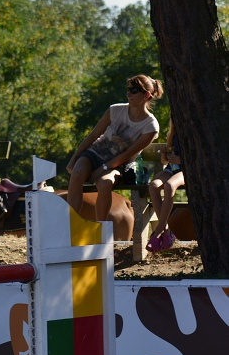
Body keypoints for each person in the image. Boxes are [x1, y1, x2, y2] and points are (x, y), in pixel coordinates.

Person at [67, 74, 163, 223]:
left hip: (119, 165)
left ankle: (101, 229)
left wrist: (104, 167)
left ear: (147, 95)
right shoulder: (115, 110)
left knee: (105, 183)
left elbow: (128, 154)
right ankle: (71, 224)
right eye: (129, 89)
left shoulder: (150, 126)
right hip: (93, 155)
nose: (129, 93)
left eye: (134, 90)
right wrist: (73, 160)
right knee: (77, 173)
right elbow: (92, 136)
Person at [146, 118, 184, 252]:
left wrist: (181, 160)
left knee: (169, 186)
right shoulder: (172, 134)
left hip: (185, 170)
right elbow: (164, 161)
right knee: (154, 186)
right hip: (170, 169)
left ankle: (157, 232)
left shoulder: (191, 132)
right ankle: (166, 231)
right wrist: (164, 153)